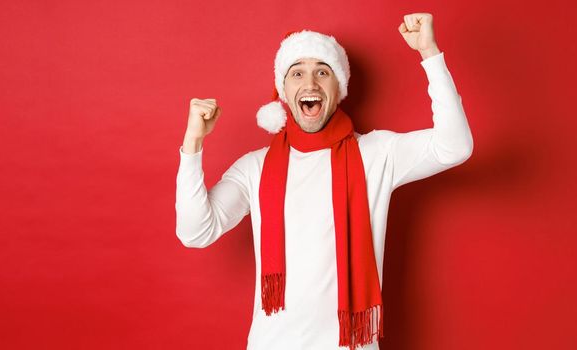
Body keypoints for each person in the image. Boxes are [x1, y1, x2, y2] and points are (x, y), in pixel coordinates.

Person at [175, 13, 474, 350]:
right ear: (284, 92)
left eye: (322, 71)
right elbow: (195, 232)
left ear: (339, 87)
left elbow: (455, 146)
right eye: (297, 73)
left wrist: (430, 54)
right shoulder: (254, 168)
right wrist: (193, 144)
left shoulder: (376, 153)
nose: (310, 83)